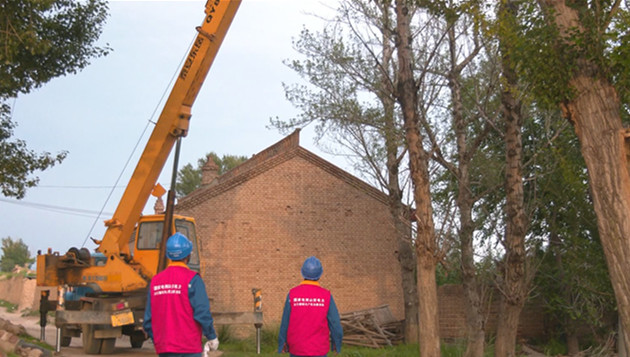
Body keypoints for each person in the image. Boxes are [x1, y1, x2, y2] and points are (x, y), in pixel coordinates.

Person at [143, 232, 219, 357]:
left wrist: (158, 340)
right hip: (189, 348)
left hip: (164, 349)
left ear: (169, 255)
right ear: (188, 255)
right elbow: (202, 312)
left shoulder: (155, 281)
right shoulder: (193, 280)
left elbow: (148, 321)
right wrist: (211, 336)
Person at [278, 256, 343, 356]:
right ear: (320, 274)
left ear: (302, 272)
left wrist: (282, 344)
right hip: (318, 350)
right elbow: (335, 323)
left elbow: (285, 322)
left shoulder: (292, 294)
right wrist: (336, 344)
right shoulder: (326, 296)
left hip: (297, 349)